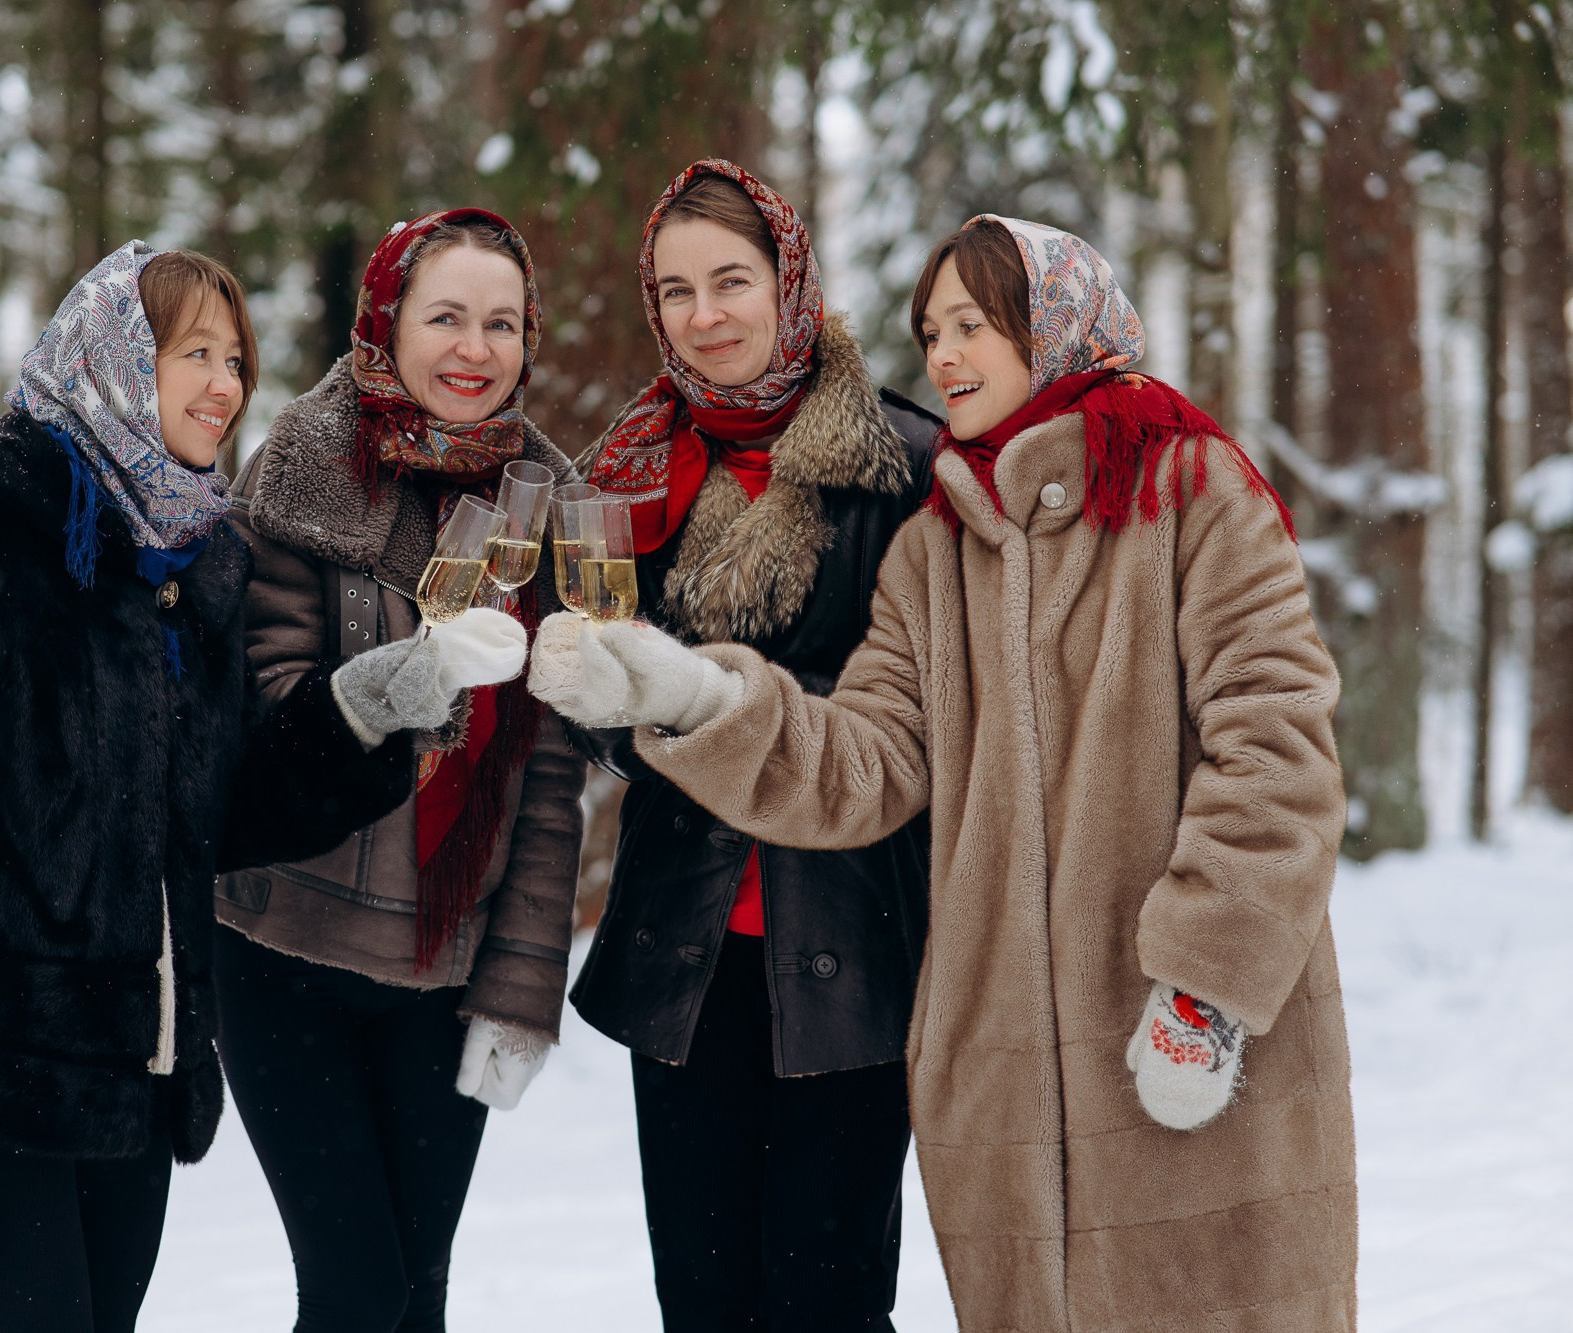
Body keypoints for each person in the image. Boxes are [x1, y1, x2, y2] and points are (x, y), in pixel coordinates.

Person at [531, 215, 1356, 1332]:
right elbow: (863, 761)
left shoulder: (1188, 486)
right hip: (1008, 1074)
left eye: (973, 324)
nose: (945, 355)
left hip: (1180, 1032)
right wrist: (694, 697)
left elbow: (1276, 748)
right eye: (931, 332)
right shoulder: (939, 545)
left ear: (1051, 326)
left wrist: (1202, 986)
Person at [0, 242, 525, 1333]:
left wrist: (371, 702)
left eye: (236, 360)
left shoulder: (192, 561)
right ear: (110, 355)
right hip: (2, 1064)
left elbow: (228, 811)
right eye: (193, 352)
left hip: (137, 1073)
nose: (225, 385)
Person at [570, 158, 940, 1333]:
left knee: (826, 1306)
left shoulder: (904, 464)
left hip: (852, 942)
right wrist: (601, 693)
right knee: (703, 1303)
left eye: (730, 280)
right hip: (682, 948)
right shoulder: (630, 473)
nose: (705, 316)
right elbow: (611, 720)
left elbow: (927, 714)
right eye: (675, 291)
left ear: (789, 282)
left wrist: (720, 701)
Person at [212, 209, 585, 1333]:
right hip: (284, 948)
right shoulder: (305, 463)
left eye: (502, 323)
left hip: (443, 962)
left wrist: (521, 991)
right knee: (356, 1293)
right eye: (446, 317)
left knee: (417, 1299)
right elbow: (265, 713)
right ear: (387, 321)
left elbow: (545, 783)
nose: (475, 348)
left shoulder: (545, 500)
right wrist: (397, 686)